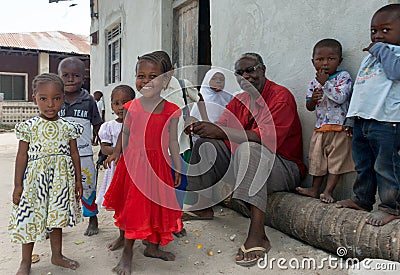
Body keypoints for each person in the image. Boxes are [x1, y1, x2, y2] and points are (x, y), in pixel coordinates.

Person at [184, 53, 306, 267]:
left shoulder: (280, 96)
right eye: (239, 73)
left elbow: (264, 139)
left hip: (283, 166)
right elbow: (221, 130)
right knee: (206, 143)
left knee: (252, 148)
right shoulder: (239, 99)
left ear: (263, 70)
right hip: (245, 161)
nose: (245, 76)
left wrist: (220, 130)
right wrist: (204, 129)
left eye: (251, 70)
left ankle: (258, 235)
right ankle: (202, 206)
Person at [103, 53, 183, 274]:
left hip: (158, 167)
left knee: (156, 207)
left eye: (153, 76)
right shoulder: (132, 107)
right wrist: (116, 154)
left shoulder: (171, 111)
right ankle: (127, 252)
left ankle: (153, 248)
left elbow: (174, 142)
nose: (146, 81)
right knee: (133, 208)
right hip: (134, 166)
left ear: (165, 80)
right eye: (141, 76)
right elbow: (124, 134)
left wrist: (176, 165)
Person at [8, 73, 83, 275]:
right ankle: (25, 261)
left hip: (60, 182)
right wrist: (18, 185)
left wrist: (78, 181)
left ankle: (57, 256)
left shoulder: (68, 127)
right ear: (35, 99)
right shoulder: (29, 127)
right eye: (44, 98)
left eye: (56, 98)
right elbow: (21, 156)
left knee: (56, 219)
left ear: (63, 98)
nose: (50, 104)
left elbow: (74, 154)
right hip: (35, 184)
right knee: (30, 219)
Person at [336, 4, 400, 226]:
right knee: (363, 164)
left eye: (385, 30)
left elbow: (395, 72)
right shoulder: (369, 58)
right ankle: (362, 200)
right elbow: (361, 88)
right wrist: (351, 117)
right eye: (374, 31)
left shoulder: (394, 54)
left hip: (388, 121)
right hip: (363, 120)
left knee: (386, 166)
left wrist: (380, 49)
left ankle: (391, 206)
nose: (378, 35)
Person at [296, 39, 354, 203]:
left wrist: (326, 84)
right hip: (320, 128)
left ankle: (328, 191)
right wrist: (313, 100)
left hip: (339, 128)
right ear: (313, 61)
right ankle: (314, 189)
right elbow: (309, 106)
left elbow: (341, 97)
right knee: (317, 160)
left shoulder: (343, 77)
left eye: (331, 59)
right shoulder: (313, 82)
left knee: (336, 162)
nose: (325, 63)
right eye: (320, 59)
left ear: (339, 61)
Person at [58, 57, 103, 236]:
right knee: (59, 188)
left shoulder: (89, 100)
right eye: (66, 75)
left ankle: (92, 219)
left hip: (83, 154)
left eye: (75, 75)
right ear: (58, 77)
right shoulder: (55, 99)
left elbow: (98, 124)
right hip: (59, 155)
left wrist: (103, 146)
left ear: (83, 79)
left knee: (88, 187)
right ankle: (56, 224)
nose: (70, 79)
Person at [95, 85, 135, 251]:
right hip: (116, 172)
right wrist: (122, 151)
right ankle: (121, 236)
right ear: (111, 105)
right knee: (120, 205)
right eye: (116, 103)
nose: (120, 107)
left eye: (125, 102)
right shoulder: (109, 126)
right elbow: (105, 149)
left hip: (134, 172)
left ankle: (140, 236)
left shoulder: (138, 124)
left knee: (132, 205)